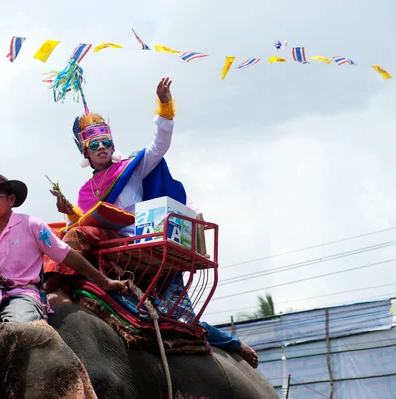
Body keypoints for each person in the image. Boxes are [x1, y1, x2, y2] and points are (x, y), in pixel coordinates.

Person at [41, 76, 259, 368]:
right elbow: (85, 220)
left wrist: (165, 105)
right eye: (95, 145)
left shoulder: (130, 167)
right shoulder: (84, 190)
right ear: (86, 152)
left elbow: (159, 145)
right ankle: (49, 290)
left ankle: (232, 343)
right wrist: (69, 210)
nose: (102, 148)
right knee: (52, 235)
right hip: (105, 240)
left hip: (141, 236)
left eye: (106, 142)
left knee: (181, 320)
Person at [0, 171, 128, 323]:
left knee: (18, 331)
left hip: (22, 296)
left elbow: (67, 256)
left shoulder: (32, 226)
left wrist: (105, 282)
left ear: (11, 200)